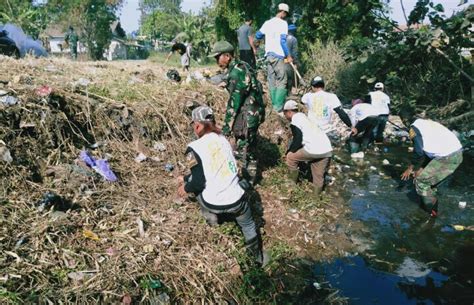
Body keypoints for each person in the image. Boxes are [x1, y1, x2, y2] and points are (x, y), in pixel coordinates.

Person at [177, 105, 264, 265]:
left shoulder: (193, 148)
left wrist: (185, 187)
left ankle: (212, 219)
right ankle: (256, 260)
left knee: (195, 188)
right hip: (237, 200)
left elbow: (198, 182)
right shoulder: (224, 140)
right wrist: (186, 178)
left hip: (214, 203)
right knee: (248, 225)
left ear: (197, 125)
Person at [208, 41, 265, 182]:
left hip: (248, 115)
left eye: (218, 57)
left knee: (244, 150)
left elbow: (234, 103)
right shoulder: (243, 66)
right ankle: (251, 177)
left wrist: (227, 127)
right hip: (255, 112)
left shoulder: (236, 73)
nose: (217, 61)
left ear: (227, 56)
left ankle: (249, 182)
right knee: (248, 146)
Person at [400, 115, 463, 217]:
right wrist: (419, 168)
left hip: (448, 157)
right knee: (428, 182)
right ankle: (429, 207)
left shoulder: (413, 128)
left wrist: (411, 168)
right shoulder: (426, 123)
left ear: (405, 121)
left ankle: (431, 212)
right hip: (454, 153)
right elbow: (428, 148)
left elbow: (419, 152)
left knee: (421, 182)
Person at [283, 100, 333, 196]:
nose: (285, 117)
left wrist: (289, 151)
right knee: (318, 175)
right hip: (327, 149)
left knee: (291, 157)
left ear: (288, 112)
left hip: (313, 149)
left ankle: (291, 185)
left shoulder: (295, 120)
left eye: (285, 114)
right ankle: (315, 198)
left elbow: (298, 139)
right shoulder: (305, 117)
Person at [256, 3, 292, 113]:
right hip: (278, 55)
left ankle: (273, 105)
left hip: (268, 55)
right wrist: (288, 55)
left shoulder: (268, 23)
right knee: (282, 79)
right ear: (283, 12)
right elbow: (282, 41)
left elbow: (258, 35)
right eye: (285, 14)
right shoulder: (283, 24)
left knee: (271, 79)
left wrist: (267, 36)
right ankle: (277, 107)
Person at [301, 76, 352, 141]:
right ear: (323, 86)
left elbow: (302, 102)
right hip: (327, 132)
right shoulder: (332, 96)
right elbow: (341, 113)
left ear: (312, 86)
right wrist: (350, 126)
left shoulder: (307, 96)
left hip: (312, 131)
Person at [285, 24, 299, 92]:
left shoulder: (283, 38)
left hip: (282, 60)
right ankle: (288, 92)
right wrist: (295, 62)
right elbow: (295, 52)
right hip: (289, 61)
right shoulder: (294, 39)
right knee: (289, 78)